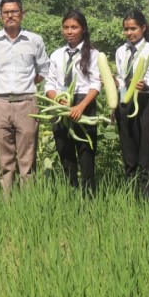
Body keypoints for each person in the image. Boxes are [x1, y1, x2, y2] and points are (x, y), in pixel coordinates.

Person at [0, 0, 50, 197]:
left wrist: (26, 84)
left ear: (22, 14)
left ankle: (28, 201)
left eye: (14, 11)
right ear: (0, 15)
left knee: (27, 159)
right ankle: (6, 202)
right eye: (6, 12)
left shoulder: (34, 40)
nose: (10, 16)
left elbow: (44, 68)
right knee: (4, 160)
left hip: (27, 103)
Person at [45, 10, 101, 193]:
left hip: (83, 103)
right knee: (65, 153)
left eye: (74, 27)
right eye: (66, 27)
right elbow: (49, 84)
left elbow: (96, 84)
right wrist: (58, 100)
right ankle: (71, 193)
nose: (69, 31)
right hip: (60, 105)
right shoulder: (56, 55)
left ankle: (89, 197)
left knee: (86, 153)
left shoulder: (93, 54)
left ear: (83, 29)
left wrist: (81, 106)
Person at [114, 10, 149, 196]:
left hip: (144, 104)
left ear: (143, 27)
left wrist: (147, 84)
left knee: (145, 154)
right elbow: (122, 78)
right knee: (128, 154)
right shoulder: (121, 51)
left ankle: (146, 197)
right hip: (124, 103)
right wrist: (114, 82)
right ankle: (130, 195)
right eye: (126, 29)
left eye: (133, 28)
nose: (129, 33)